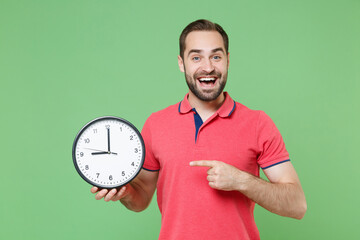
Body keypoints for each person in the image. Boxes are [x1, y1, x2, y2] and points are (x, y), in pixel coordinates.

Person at [91, 19, 307, 240]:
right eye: (196, 57)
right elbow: (142, 199)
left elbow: (297, 205)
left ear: (228, 60)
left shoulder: (258, 123)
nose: (208, 67)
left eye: (216, 56)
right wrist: (126, 193)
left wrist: (241, 181)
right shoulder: (156, 124)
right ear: (181, 63)